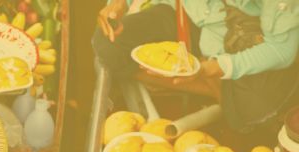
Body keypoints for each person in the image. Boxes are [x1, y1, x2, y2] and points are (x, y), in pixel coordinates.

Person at [93, 0, 299, 132]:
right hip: (189, 13)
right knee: (107, 43)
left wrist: (214, 67)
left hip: (250, 33)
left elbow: (281, 50)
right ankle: (215, 90)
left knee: (257, 108)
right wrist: (120, 3)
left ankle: (213, 87)